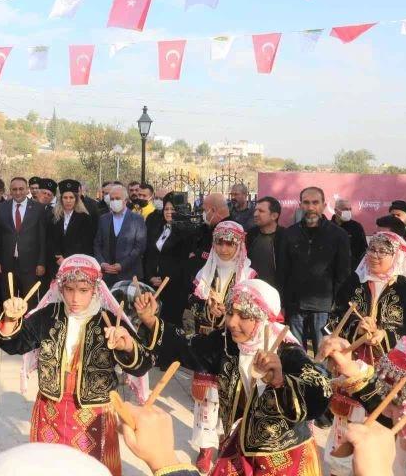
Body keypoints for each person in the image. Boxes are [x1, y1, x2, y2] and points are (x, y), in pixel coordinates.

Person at [135, 279, 331, 476]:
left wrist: (279, 381)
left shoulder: (285, 349)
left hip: (285, 454)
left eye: (243, 315)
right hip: (241, 444)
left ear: (261, 317)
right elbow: (188, 347)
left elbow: (320, 389)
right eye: (230, 313)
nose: (231, 322)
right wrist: (150, 320)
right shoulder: (228, 344)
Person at [0, 254, 152, 475]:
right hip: (50, 409)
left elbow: (142, 365)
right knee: (48, 468)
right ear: (61, 288)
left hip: (93, 413)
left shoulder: (108, 319)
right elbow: (16, 343)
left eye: (83, 290)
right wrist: (10, 319)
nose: (75, 298)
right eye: (69, 289)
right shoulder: (49, 315)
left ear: (96, 289)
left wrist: (126, 346)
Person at [322, 230, 406, 475]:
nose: (375, 255)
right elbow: (332, 321)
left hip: (389, 380)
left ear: (397, 256)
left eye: (383, 251)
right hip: (353, 368)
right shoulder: (354, 284)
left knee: (385, 430)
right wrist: (355, 329)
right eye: (372, 249)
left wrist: (384, 335)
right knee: (347, 426)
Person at [184, 220, 255, 473]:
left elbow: (256, 310)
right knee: (205, 398)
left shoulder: (249, 275)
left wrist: (230, 313)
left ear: (239, 245)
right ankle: (205, 448)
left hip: (233, 347)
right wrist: (208, 309)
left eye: (230, 243)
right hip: (206, 343)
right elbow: (192, 302)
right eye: (219, 242)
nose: (224, 248)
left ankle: (227, 445)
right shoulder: (204, 273)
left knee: (230, 396)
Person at [278, 186, 351, 352]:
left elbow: (343, 272)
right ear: (300, 205)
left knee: (323, 354)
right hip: (295, 305)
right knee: (295, 353)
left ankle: (323, 379)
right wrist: (283, 302)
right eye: (306, 203)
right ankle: (297, 378)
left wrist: (337, 304)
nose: (311, 207)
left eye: (315, 202)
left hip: (324, 308)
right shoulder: (289, 234)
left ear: (324, 205)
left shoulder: (338, 235)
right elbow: (282, 270)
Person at [0, 177, 46, 309]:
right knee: (8, 300)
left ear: (27, 189)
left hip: (30, 264)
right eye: (14, 189)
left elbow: (42, 238)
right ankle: (9, 328)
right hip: (7, 264)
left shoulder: (38, 209)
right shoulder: (2, 208)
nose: (17, 192)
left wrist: (41, 263)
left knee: (29, 301)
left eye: (21, 189)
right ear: (10, 191)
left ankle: (28, 328)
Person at [143, 193, 188, 325]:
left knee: (170, 323)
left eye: (172, 209)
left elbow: (181, 261)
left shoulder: (184, 233)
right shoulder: (158, 228)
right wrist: (150, 276)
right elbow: (149, 254)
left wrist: (164, 278)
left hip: (173, 287)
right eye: (166, 209)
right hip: (154, 285)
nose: (169, 212)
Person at [93, 184, 146, 287]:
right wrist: (102, 263)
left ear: (125, 200)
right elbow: (97, 244)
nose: (114, 201)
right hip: (106, 275)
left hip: (129, 276)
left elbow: (139, 247)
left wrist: (122, 265)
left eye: (117, 198)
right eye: (112, 199)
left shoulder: (137, 219)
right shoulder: (103, 219)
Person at [188, 193, 231, 285]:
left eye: (204, 210)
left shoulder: (229, 230)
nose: (203, 214)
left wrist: (198, 253)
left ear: (213, 210)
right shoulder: (209, 227)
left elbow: (217, 257)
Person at [50, 179, 95, 264]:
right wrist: (58, 256)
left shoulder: (84, 217)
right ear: (61, 199)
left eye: (71, 197)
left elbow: (85, 244)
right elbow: (51, 240)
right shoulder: (54, 217)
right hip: (57, 262)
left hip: (77, 262)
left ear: (76, 199)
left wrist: (67, 258)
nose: (68, 201)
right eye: (65, 197)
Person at [245, 196, 285, 289]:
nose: (255, 214)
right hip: (250, 292)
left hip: (276, 295)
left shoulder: (286, 237)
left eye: (261, 211)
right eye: (255, 210)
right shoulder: (249, 236)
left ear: (274, 216)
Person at [333, 197, 368, 269]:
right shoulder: (328, 227)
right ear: (336, 210)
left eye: (350, 209)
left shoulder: (356, 227)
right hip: (332, 269)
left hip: (351, 269)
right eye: (345, 209)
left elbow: (363, 249)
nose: (348, 212)